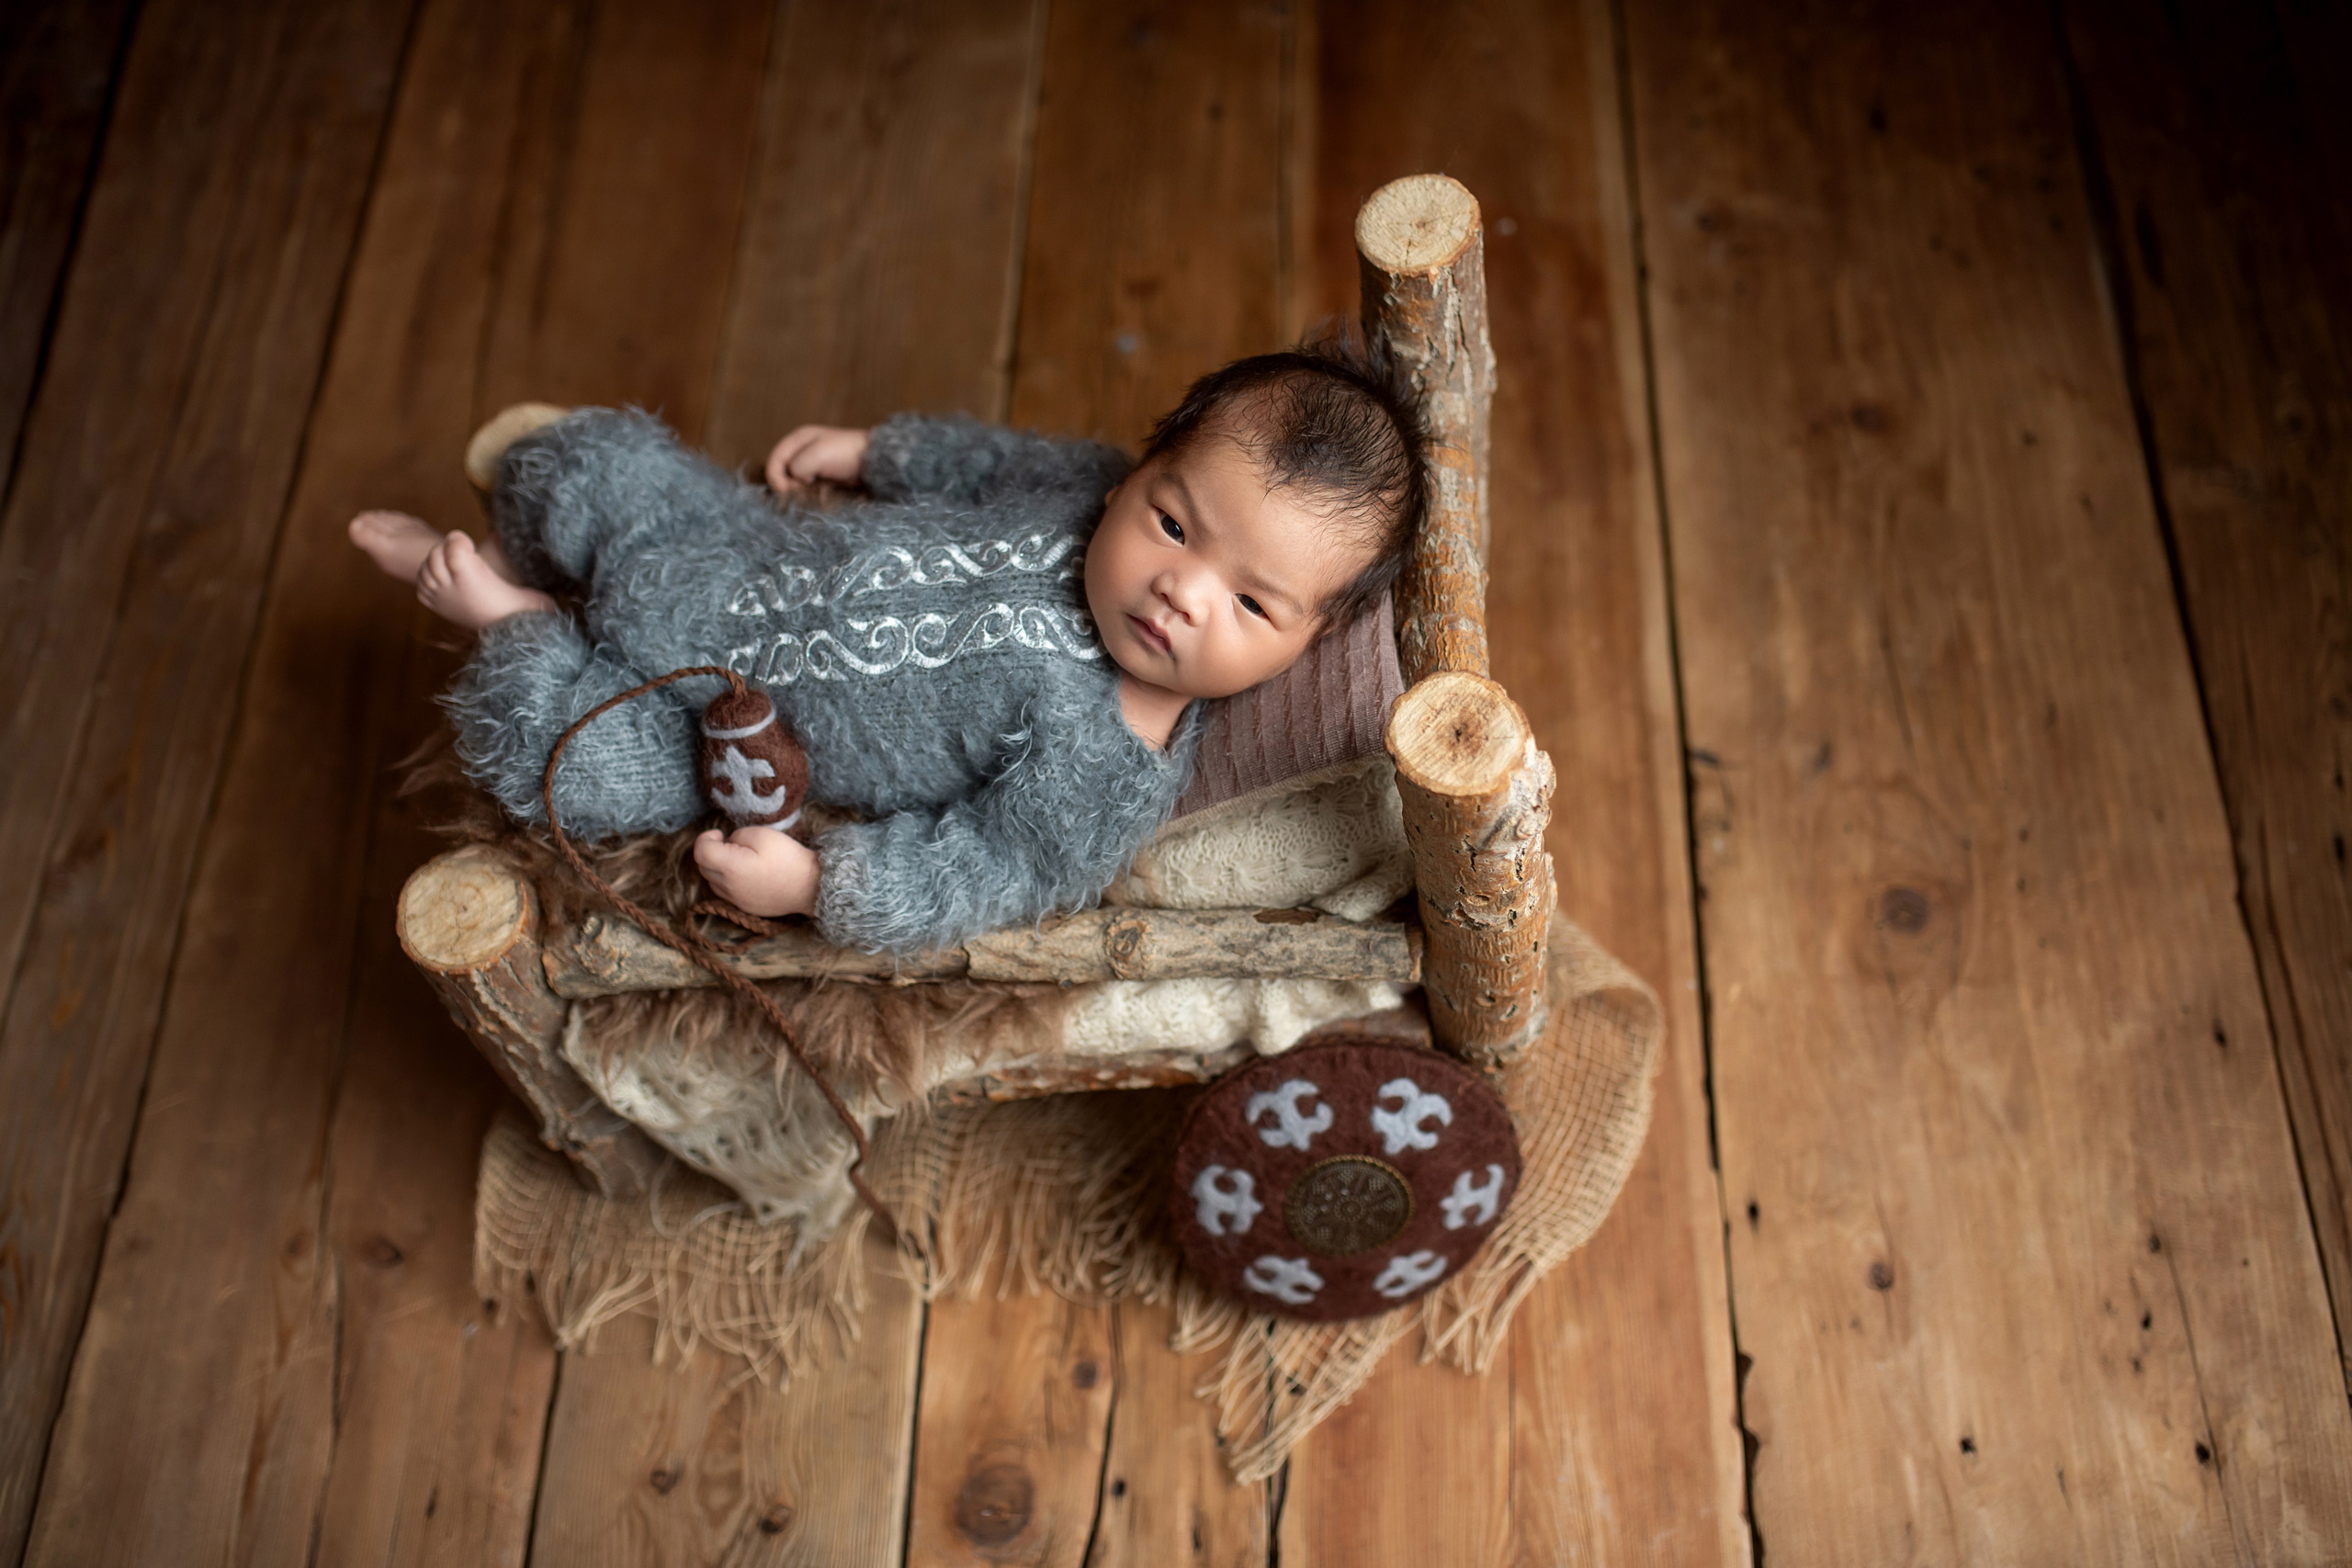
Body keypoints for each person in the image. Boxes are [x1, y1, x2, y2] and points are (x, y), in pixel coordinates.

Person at [351, 346, 1426, 955]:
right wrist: (876, 451)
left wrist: (815, 884)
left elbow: (980, 871)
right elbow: (983, 464)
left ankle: (510, 615)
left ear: (1308, 640)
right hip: (742, 552)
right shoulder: (1078, 486)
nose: (1180, 593)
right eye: (1174, 524)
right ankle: (518, 545)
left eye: (1249, 603)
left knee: (559, 760)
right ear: (1138, 473)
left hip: (724, 731)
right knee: (592, 460)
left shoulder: (1106, 765)